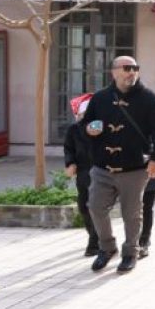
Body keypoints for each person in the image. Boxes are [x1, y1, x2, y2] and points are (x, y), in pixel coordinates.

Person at [84, 56, 155, 274]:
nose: (132, 72)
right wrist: (89, 130)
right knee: (95, 206)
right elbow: (85, 125)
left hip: (134, 169)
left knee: (132, 214)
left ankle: (130, 252)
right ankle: (107, 247)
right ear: (114, 72)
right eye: (127, 68)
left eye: (136, 68)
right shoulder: (100, 98)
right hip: (103, 167)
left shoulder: (149, 98)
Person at [63, 93, 98, 257]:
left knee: (95, 207)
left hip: (100, 171)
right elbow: (68, 149)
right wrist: (70, 163)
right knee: (83, 206)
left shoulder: (100, 128)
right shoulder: (73, 130)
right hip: (83, 172)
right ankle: (94, 235)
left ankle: (94, 243)